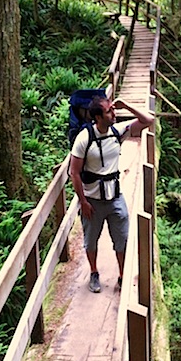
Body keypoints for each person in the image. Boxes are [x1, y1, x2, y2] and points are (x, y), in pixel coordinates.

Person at [69, 96, 154, 293]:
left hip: (115, 196)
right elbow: (74, 172)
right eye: (109, 111)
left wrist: (127, 105)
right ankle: (93, 272)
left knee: (122, 238)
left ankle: (123, 275)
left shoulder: (117, 131)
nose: (114, 114)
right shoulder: (84, 139)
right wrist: (83, 201)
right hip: (92, 200)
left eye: (114, 110)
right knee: (91, 240)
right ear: (98, 117)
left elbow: (148, 121)